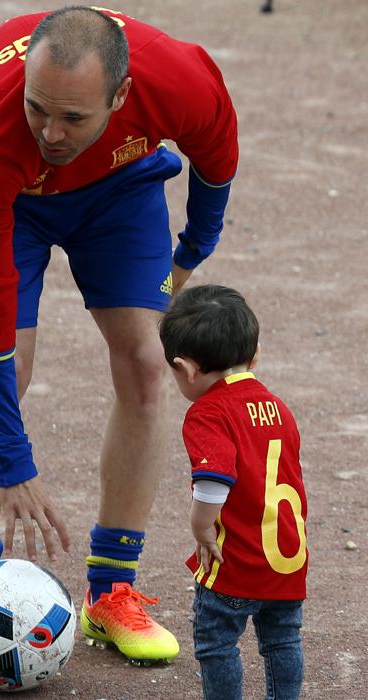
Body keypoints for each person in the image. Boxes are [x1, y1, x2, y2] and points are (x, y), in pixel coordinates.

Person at [0, 7, 238, 664]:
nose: (51, 131)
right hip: (8, 200)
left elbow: (216, 157)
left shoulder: (178, 81)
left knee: (148, 362)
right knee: (6, 373)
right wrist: (16, 468)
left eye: (73, 117)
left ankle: (112, 592)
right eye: (39, 108)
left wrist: (192, 250)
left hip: (116, 187)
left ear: (121, 96)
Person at [159, 284, 308, 698]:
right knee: (283, 641)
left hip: (235, 561)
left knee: (217, 644)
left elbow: (213, 479)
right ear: (254, 353)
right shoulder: (279, 406)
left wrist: (200, 526)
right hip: (287, 560)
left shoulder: (207, 412)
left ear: (186, 368)